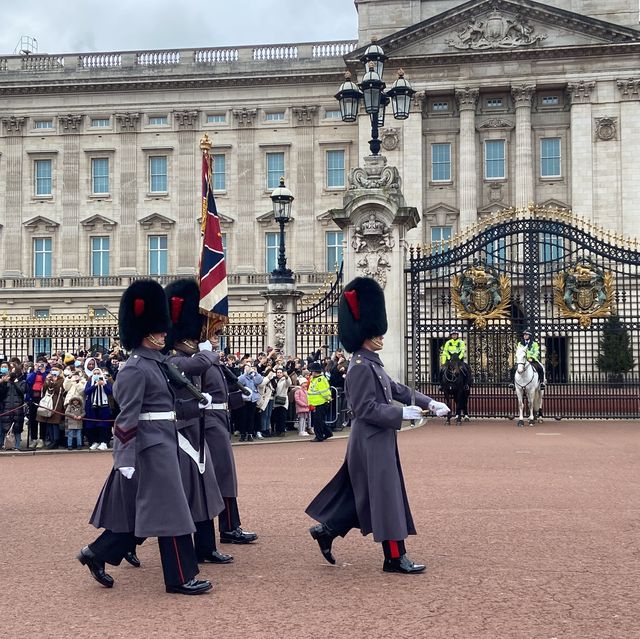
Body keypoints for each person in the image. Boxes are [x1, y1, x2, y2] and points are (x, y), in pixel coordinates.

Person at [306, 277, 450, 574]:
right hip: (369, 439)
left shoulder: (372, 363)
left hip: (379, 438)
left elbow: (397, 389)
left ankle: (327, 531)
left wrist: (428, 402)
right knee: (387, 496)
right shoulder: (359, 367)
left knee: (370, 496)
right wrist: (402, 416)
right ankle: (395, 557)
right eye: (375, 333)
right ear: (364, 334)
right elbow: (365, 408)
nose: (381, 337)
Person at [79, 279, 212, 596]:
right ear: (143, 331)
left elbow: (168, 404)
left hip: (164, 442)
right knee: (172, 511)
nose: (165, 332)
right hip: (149, 449)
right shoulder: (134, 368)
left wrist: (198, 401)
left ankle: (97, 553)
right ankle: (180, 577)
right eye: (158, 328)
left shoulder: (157, 363)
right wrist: (123, 458)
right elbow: (126, 418)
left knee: (146, 513)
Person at [164, 278, 231, 565]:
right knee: (176, 499)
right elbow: (199, 364)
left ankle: (206, 547)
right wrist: (205, 349)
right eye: (191, 337)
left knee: (205, 493)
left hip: (197, 430)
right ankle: (117, 544)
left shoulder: (188, 354)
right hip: (180, 434)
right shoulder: (173, 359)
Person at [84, 367, 113, 450]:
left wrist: (103, 384)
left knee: (104, 425)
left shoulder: (106, 382)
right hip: (92, 406)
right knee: (92, 425)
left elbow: (110, 392)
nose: (96, 375)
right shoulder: (90, 382)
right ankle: (95, 441)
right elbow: (86, 391)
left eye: (98, 373)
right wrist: (95, 385)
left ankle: (104, 442)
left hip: (104, 406)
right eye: (95, 373)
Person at [0, 362, 26, 450]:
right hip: (6, 407)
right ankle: (5, 445)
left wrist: (16, 383)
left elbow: (22, 392)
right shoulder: (6, 382)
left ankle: (17, 445)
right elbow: (2, 394)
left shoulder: (22, 382)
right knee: (5, 427)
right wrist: (3, 383)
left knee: (17, 428)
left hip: (17, 407)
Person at [307, 361, 332, 442]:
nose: (311, 373)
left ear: (315, 372)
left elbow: (323, 392)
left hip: (321, 402)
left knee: (318, 421)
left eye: (312, 371)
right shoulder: (315, 379)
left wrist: (328, 399)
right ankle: (327, 433)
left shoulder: (319, 380)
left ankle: (319, 436)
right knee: (319, 420)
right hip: (317, 403)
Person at [271, 367, 291, 437]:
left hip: (283, 401)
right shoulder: (274, 380)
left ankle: (282, 431)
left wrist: (287, 376)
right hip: (275, 401)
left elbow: (289, 383)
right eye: (278, 372)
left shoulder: (284, 380)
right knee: (276, 417)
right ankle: (277, 431)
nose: (279, 374)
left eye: (280, 372)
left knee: (282, 417)